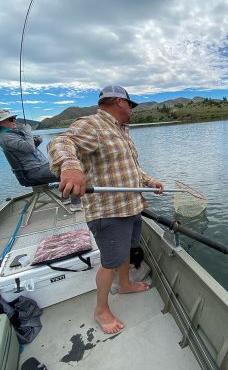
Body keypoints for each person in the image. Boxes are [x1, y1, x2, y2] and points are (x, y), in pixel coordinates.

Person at [48, 85, 164, 334]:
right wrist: (70, 167)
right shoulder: (93, 125)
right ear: (118, 102)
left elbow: (131, 166)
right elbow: (61, 141)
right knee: (110, 261)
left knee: (125, 253)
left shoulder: (122, 131)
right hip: (108, 212)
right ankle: (101, 310)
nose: (131, 110)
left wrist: (149, 181)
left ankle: (124, 284)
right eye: (130, 105)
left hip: (131, 206)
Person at [0, 109, 82, 211]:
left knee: (65, 163)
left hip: (39, 167)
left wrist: (36, 141)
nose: (14, 121)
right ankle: (76, 204)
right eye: (10, 119)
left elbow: (28, 149)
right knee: (68, 171)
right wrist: (27, 131)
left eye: (14, 118)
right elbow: (29, 148)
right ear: (1, 123)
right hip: (34, 171)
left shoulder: (11, 134)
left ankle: (65, 198)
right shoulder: (6, 136)